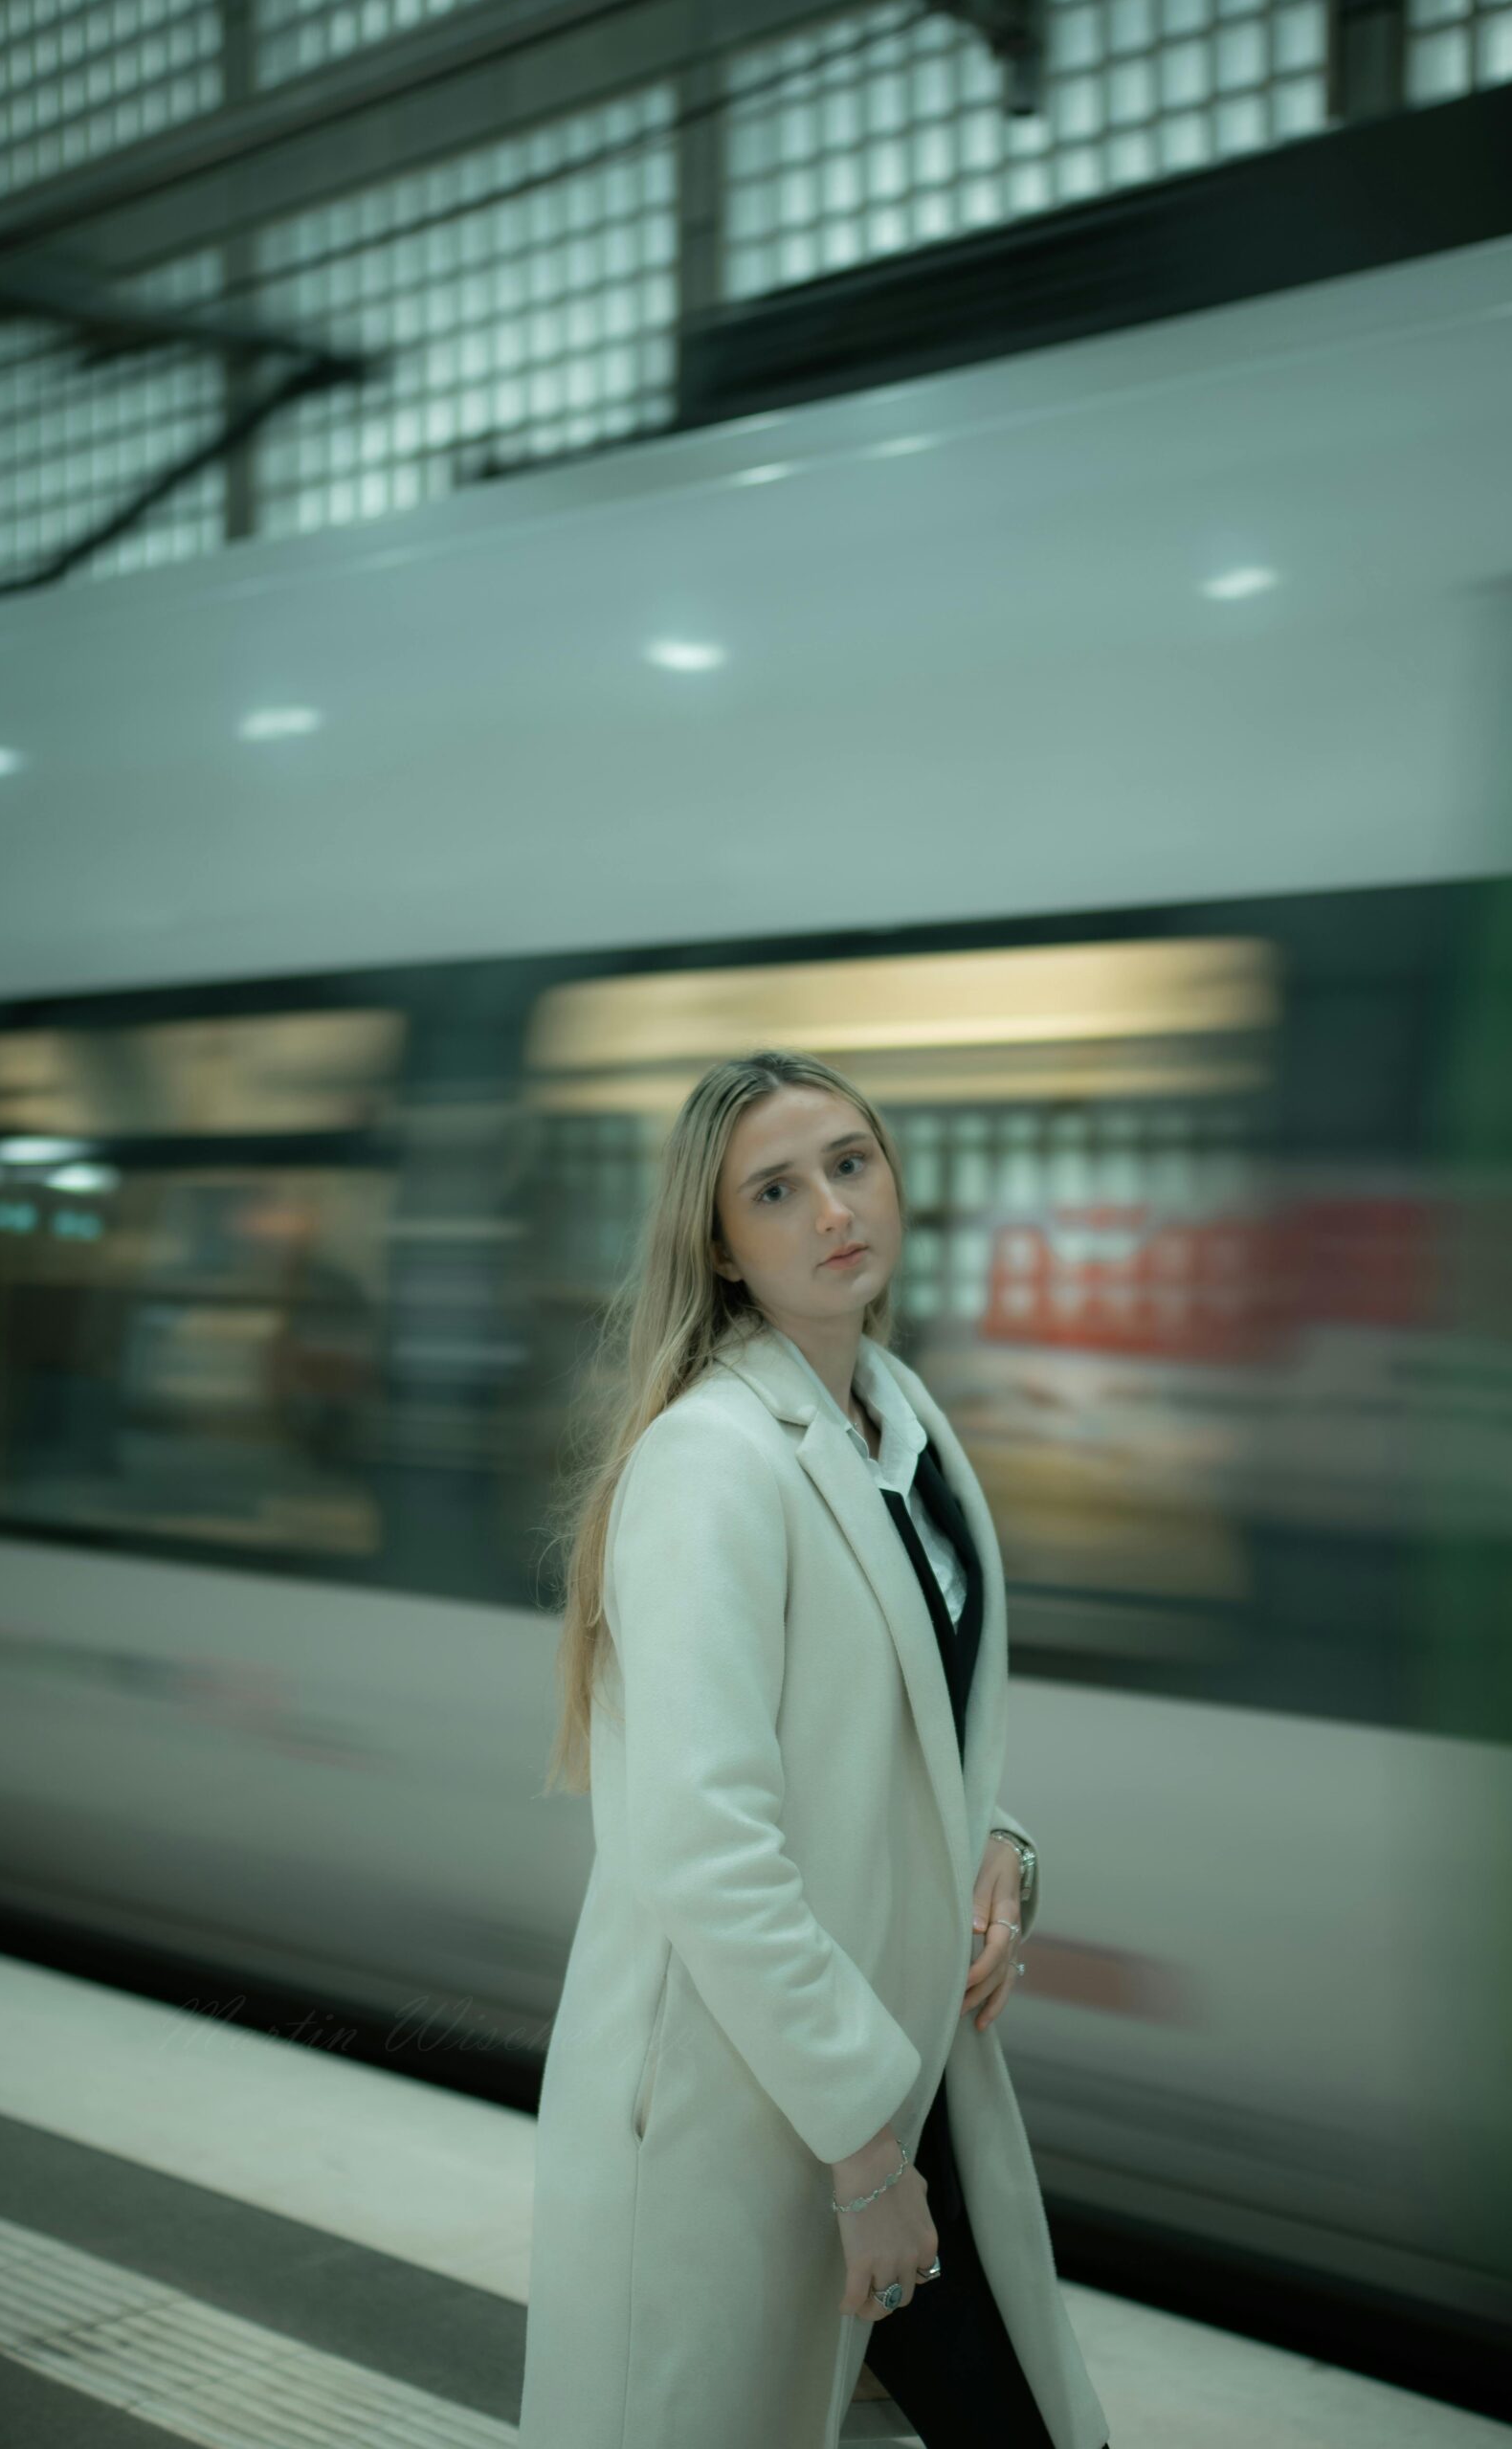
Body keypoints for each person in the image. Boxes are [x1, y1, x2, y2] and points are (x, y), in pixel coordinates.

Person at [518, 1048, 1112, 2449]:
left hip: (900, 2070)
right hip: (762, 2104)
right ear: (721, 1249)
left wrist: (1001, 1850)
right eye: (775, 1191)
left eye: (850, 1163)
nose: (832, 1209)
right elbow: (702, 1845)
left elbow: (894, 1732)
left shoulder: (897, 1424)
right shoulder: (713, 1464)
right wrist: (861, 2155)